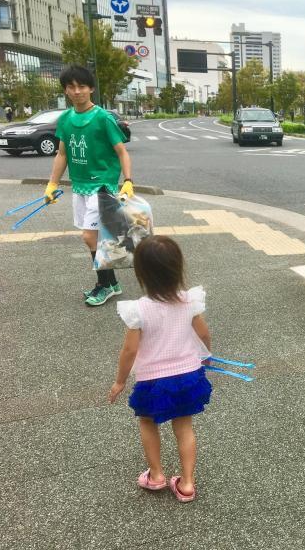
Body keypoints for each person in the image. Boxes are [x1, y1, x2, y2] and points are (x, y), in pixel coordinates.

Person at [108, 235, 212, 503]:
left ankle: (156, 475)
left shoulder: (139, 310)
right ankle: (187, 483)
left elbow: (129, 351)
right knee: (184, 425)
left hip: (153, 381)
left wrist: (120, 381)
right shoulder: (189, 301)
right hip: (188, 376)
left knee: (147, 421)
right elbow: (204, 334)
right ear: (178, 268)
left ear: (141, 273)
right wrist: (206, 357)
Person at [44, 65, 132, 306]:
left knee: (89, 237)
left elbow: (122, 152)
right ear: (65, 90)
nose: (77, 91)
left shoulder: (103, 118)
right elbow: (62, 154)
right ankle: (111, 283)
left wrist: (127, 182)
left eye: (82, 86)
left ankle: (104, 286)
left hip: (102, 185)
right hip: (79, 186)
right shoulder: (65, 119)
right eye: (71, 87)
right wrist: (52, 184)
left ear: (91, 88)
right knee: (93, 238)